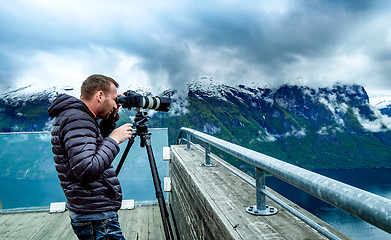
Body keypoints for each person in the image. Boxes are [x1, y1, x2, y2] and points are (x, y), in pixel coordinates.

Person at [48, 74, 133, 240]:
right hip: (96, 216)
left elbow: (90, 143)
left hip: (92, 210)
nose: (116, 104)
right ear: (100, 96)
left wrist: (110, 120)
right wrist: (114, 139)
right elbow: (86, 169)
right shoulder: (77, 118)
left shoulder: (78, 117)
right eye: (114, 98)